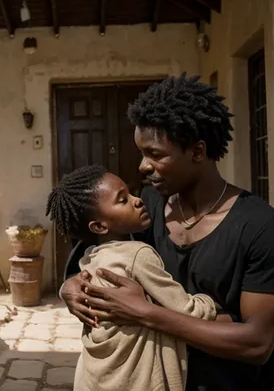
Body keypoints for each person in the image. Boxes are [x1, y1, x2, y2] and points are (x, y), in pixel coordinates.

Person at [60, 74, 274, 390]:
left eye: (156, 154)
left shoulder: (262, 228)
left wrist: (146, 312)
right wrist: (70, 287)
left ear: (197, 151)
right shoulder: (146, 208)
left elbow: (256, 343)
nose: (143, 166)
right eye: (142, 154)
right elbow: (100, 258)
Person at [46, 164, 218, 390]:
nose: (137, 200)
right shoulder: (138, 254)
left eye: (130, 193)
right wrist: (209, 303)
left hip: (95, 379)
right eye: (122, 200)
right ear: (98, 226)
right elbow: (187, 310)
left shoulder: (90, 258)